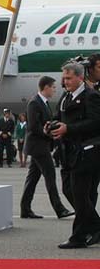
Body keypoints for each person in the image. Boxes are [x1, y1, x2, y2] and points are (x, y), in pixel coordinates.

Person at [51, 63, 100, 249]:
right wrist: (52, 125)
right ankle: (94, 227)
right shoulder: (66, 96)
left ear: (80, 77)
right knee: (71, 191)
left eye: (69, 78)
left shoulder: (91, 96)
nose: (65, 81)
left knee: (81, 194)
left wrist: (68, 128)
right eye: (64, 78)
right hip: (68, 152)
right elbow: (59, 117)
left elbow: (96, 122)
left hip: (88, 152)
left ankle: (79, 236)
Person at [20, 76, 73, 220]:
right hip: (38, 147)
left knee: (32, 179)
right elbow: (33, 126)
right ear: (46, 87)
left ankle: (25, 209)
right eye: (53, 87)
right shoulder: (34, 103)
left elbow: (44, 123)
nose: (55, 90)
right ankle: (59, 209)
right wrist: (49, 133)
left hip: (41, 146)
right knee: (50, 176)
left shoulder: (44, 103)